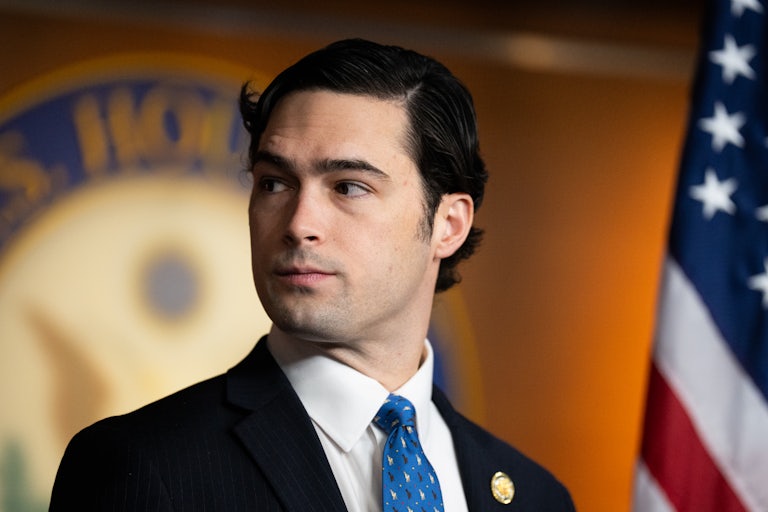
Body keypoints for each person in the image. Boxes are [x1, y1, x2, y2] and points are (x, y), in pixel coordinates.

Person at [50, 38, 575, 511]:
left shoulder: (536, 498)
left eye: (348, 187)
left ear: (448, 224)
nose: (299, 224)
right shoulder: (140, 467)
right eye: (275, 183)